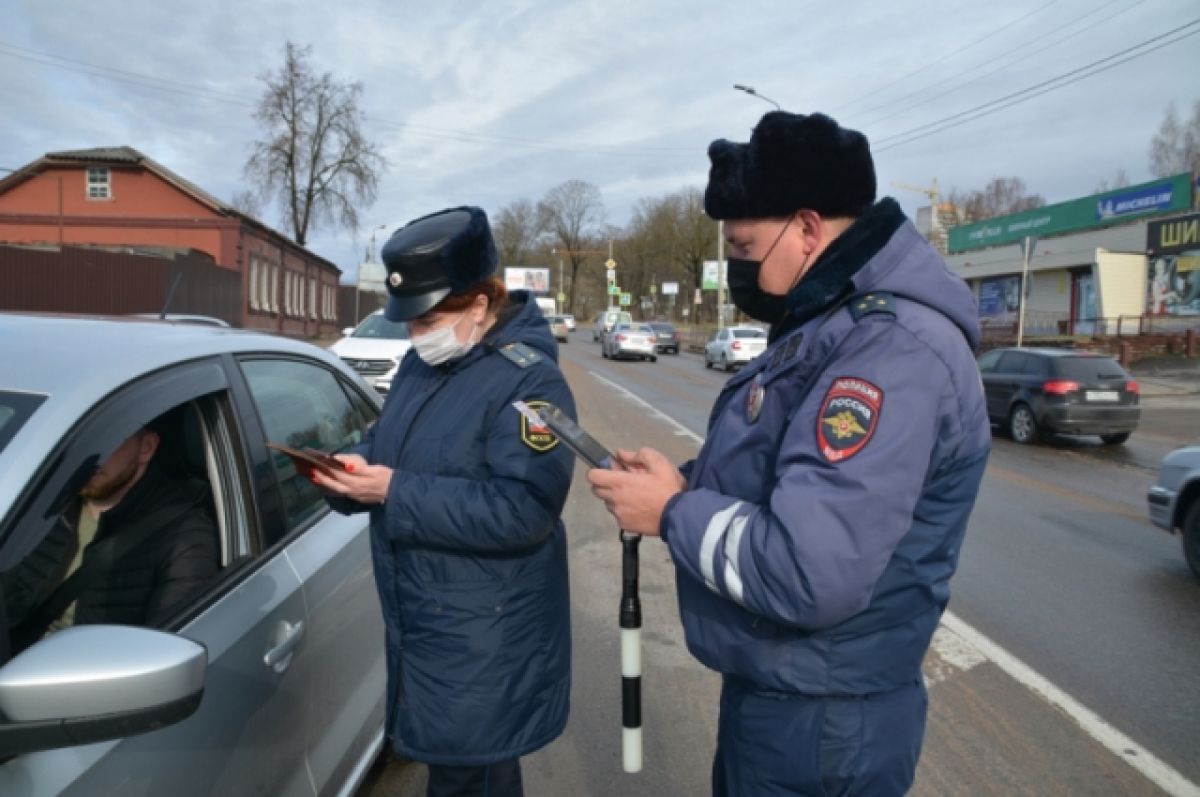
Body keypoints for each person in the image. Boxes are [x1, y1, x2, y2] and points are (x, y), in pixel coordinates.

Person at [588, 111, 991, 796]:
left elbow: (811, 569)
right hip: (790, 695)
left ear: (807, 228)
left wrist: (675, 512)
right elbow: (788, 477)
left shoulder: (888, 351)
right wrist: (678, 483)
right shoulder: (830, 320)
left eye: (745, 246)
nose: (736, 266)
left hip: (824, 723)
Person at [312, 206, 576, 797]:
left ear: (480, 305)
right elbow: (391, 443)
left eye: (427, 319)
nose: (415, 334)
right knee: (453, 773)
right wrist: (351, 468)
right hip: (431, 627)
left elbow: (524, 510)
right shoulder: (423, 365)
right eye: (408, 321)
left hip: (485, 641)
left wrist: (392, 490)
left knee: (471, 779)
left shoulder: (530, 382)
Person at [6, 421, 219, 649]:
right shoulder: (37, 508)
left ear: (146, 448)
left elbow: (167, 653)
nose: (92, 454)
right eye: (83, 441)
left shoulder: (183, 534)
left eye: (108, 439)